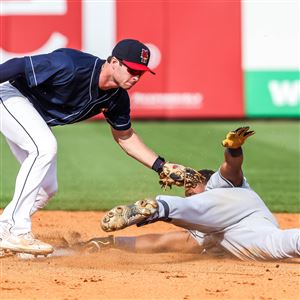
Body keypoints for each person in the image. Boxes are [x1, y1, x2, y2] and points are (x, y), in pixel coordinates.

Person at [0, 39, 168, 256]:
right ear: (114, 62)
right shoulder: (71, 65)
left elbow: (125, 137)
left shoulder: (117, 98)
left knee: (46, 188)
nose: (136, 76)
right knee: (44, 148)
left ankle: (3, 231)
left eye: (141, 72)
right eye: (132, 69)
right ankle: (17, 230)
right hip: (10, 97)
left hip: (29, 113)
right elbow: (19, 65)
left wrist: (161, 166)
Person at [85, 127, 300, 261]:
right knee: (280, 243)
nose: (189, 193)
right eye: (187, 192)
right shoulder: (201, 232)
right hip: (249, 231)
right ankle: (159, 209)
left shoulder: (219, 184)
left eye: (192, 189)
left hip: (236, 204)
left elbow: (231, 167)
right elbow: (162, 243)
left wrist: (234, 149)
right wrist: (113, 243)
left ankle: (159, 208)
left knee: (196, 206)